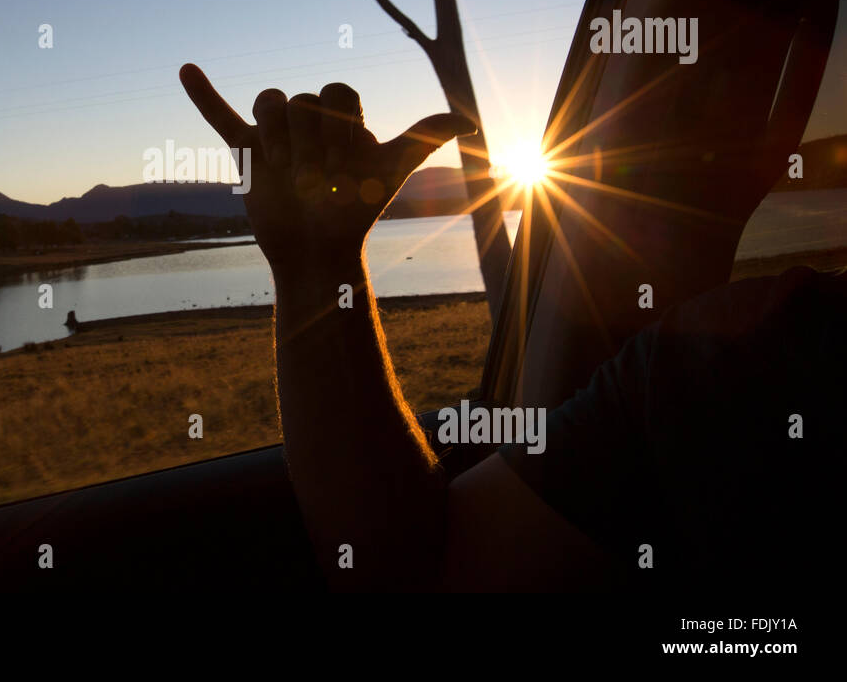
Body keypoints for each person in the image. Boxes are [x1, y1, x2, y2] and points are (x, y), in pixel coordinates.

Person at [179, 63, 845, 592]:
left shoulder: (737, 359)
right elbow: (418, 572)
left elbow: (418, 577)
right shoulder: (733, 364)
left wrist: (314, 269)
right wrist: (314, 265)